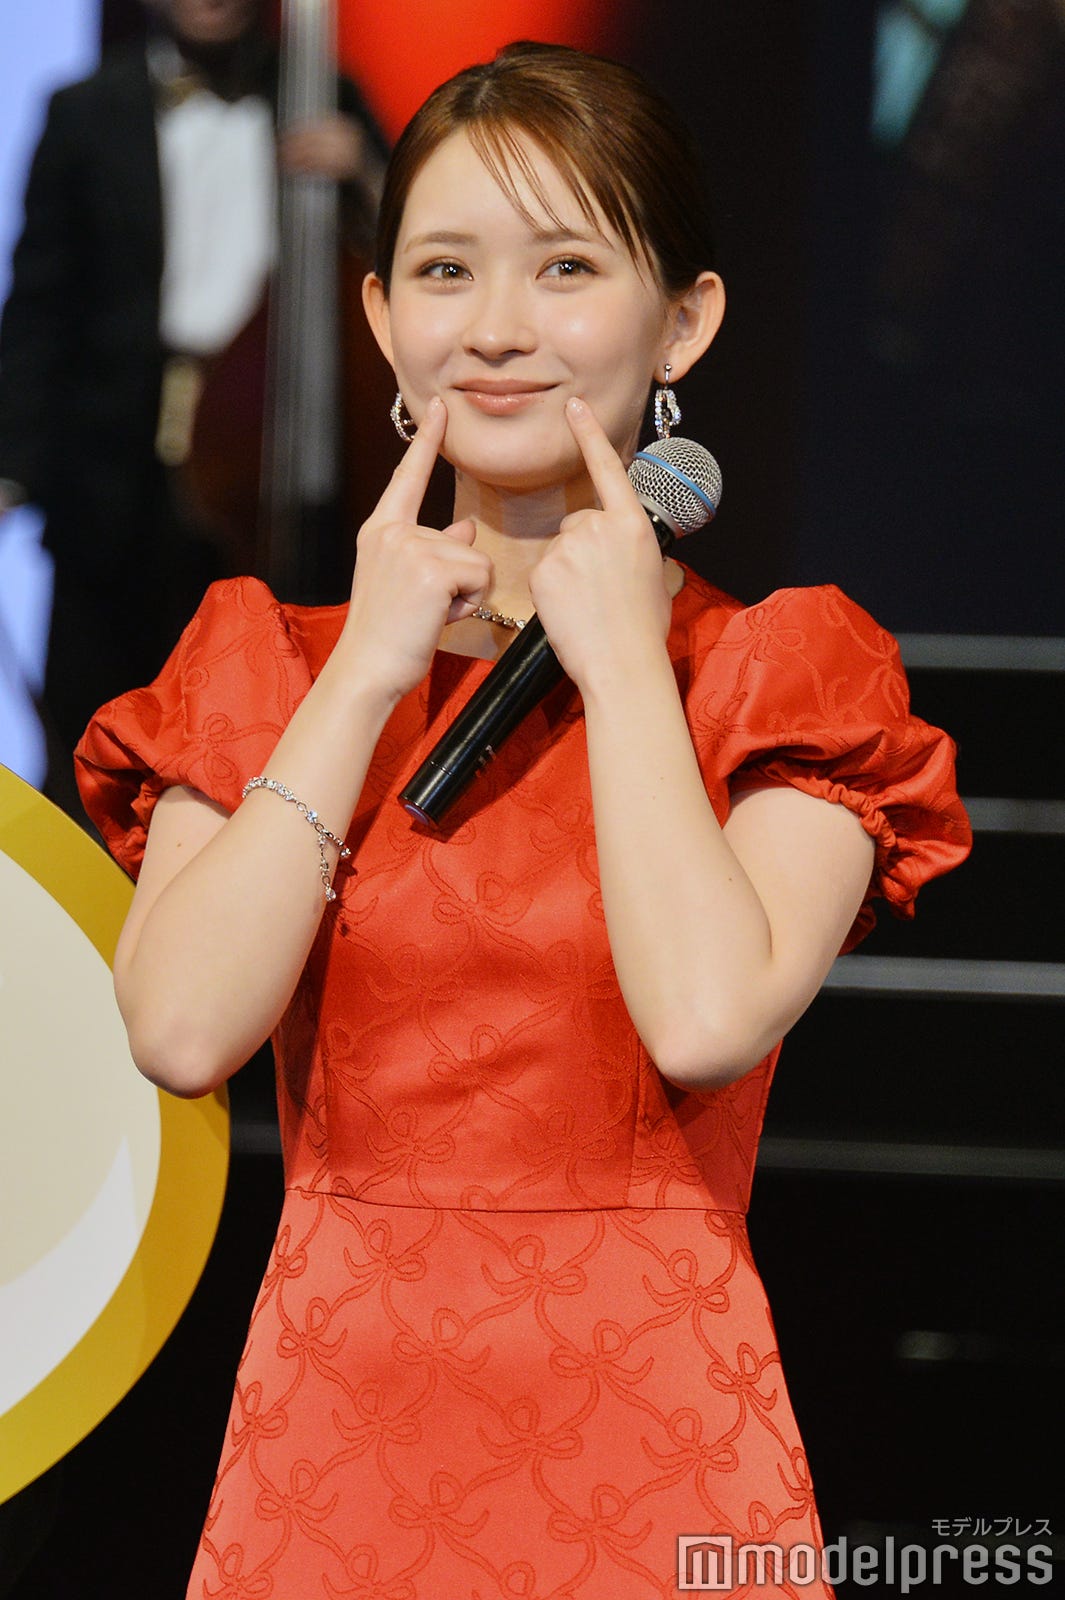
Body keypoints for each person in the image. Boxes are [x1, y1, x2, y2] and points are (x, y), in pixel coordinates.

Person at [74, 41, 971, 1599]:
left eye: (566, 267)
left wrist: (623, 663)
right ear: (380, 316)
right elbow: (179, 1031)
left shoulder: (783, 674)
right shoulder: (264, 662)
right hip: (333, 1459)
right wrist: (363, 671)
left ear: (681, 318)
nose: (496, 327)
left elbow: (706, 1019)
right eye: (444, 270)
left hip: (655, 1449)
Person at [0, 0, 387, 800]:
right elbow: (39, 303)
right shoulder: (84, 110)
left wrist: (365, 174)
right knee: (92, 709)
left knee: (251, 701)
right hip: (111, 454)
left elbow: (412, 253)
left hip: (267, 446)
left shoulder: (322, 91)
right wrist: (13, 466)